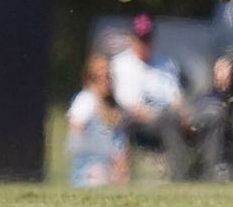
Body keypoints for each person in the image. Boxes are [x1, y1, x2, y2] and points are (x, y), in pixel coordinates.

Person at [109, 14, 192, 180]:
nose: (145, 43)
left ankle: (205, 174)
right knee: (169, 120)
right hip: (137, 124)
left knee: (206, 117)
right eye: (141, 39)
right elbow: (128, 106)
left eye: (147, 38)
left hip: (167, 121)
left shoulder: (166, 65)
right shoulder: (120, 65)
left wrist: (183, 116)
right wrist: (161, 116)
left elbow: (176, 100)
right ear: (132, 39)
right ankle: (179, 177)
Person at [191, 54, 233, 181]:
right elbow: (203, 117)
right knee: (216, 116)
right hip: (216, 146)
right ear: (216, 73)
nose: (232, 74)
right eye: (226, 69)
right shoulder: (209, 96)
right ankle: (215, 169)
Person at [66, 54, 130, 188]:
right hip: (89, 169)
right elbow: (75, 141)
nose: (105, 81)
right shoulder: (85, 101)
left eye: (108, 76)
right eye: (100, 77)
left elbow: (120, 144)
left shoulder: (116, 107)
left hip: (112, 169)